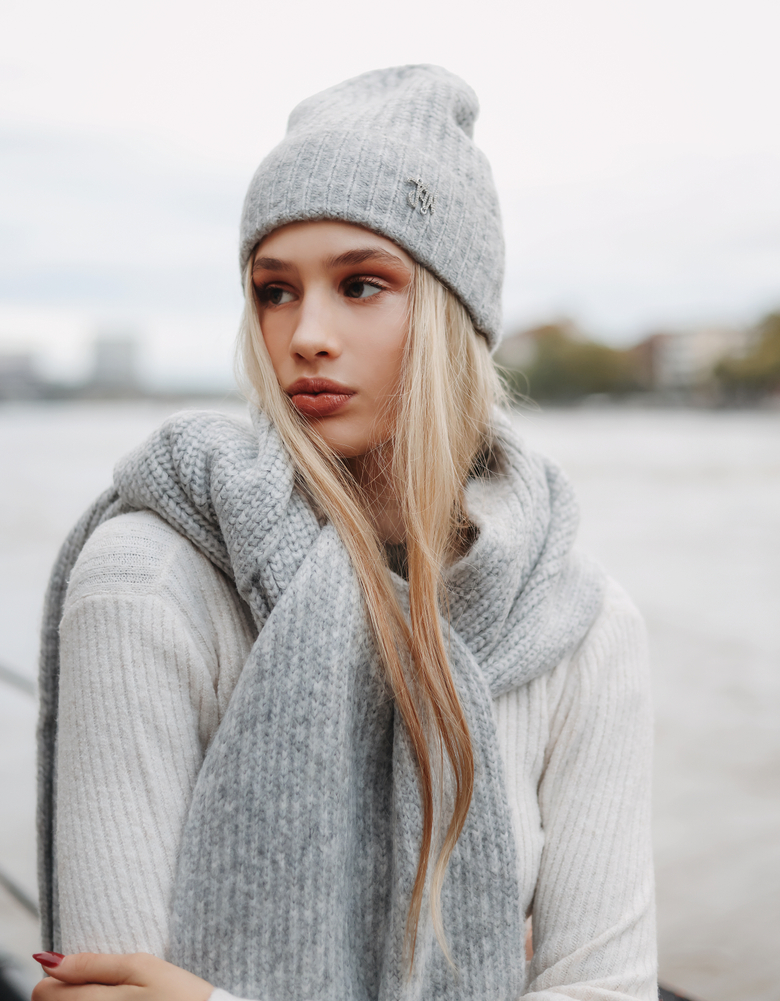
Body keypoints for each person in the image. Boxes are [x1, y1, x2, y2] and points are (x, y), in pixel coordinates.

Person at [34, 65, 657, 1001]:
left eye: (362, 284)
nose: (306, 334)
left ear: (453, 313)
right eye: (273, 291)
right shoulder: (147, 582)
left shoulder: (583, 625)